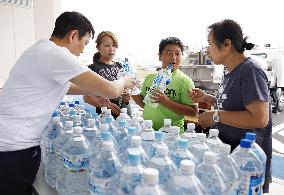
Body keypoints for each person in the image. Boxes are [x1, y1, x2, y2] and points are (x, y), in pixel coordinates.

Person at [0, 11, 135, 195]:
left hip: (8, 140)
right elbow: (111, 90)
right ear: (73, 35)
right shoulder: (56, 54)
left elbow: (65, 86)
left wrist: (91, 91)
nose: (82, 50)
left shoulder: (40, 50)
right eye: (84, 43)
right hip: (13, 147)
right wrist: (126, 80)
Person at [188, 19, 272, 193]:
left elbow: (259, 118)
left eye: (210, 44)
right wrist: (207, 97)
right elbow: (231, 103)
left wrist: (215, 115)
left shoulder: (250, 70)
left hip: (247, 165)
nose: (207, 50)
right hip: (231, 157)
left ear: (226, 44)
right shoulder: (230, 71)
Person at [132, 37, 198, 132]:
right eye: (169, 53)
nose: (174, 57)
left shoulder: (185, 81)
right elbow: (145, 104)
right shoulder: (149, 78)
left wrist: (165, 101)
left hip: (171, 135)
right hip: (148, 130)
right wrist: (132, 92)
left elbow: (193, 112)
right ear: (160, 56)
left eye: (178, 53)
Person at [84, 31, 131, 118]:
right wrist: (107, 106)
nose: (111, 49)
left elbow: (125, 89)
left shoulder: (121, 66)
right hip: (106, 118)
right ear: (98, 47)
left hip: (125, 115)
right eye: (107, 45)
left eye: (114, 45)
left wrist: (127, 96)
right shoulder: (92, 69)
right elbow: (87, 98)